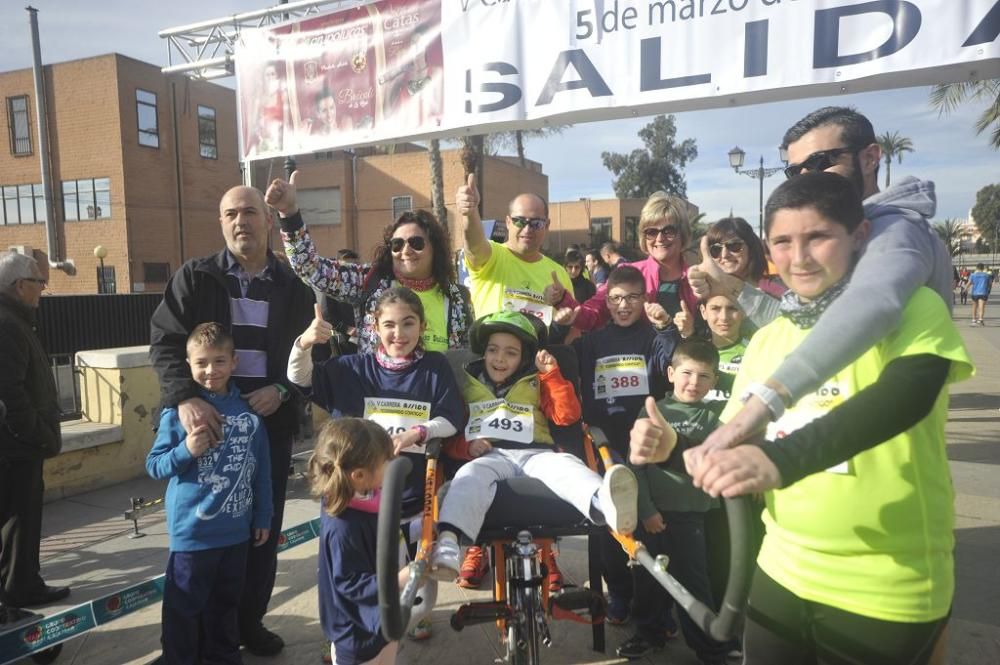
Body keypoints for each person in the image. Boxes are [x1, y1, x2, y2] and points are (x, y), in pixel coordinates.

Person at [638, 172, 973, 665]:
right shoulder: (770, 340)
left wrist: (781, 460)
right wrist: (673, 451)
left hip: (889, 581)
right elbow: (726, 444)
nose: (799, 258)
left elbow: (907, 397)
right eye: (782, 242)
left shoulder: (911, 307)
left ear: (858, 236)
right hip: (780, 572)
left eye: (817, 237)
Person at [690, 106, 954, 458]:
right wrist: (728, 284)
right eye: (794, 170)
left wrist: (767, 401)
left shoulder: (895, 230)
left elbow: (872, 306)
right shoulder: (856, 235)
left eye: (820, 162)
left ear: (871, 157)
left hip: (885, 463)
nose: (804, 179)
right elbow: (801, 326)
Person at [150, 184, 316, 656]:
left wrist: (283, 391)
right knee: (201, 538)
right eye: (229, 214)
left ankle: (246, 625)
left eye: (248, 212)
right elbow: (164, 344)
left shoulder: (293, 284)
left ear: (267, 220)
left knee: (260, 530)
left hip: (268, 423)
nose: (240, 221)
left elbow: (315, 352)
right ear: (221, 223)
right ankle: (190, 639)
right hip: (205, 425)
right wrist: (184, 397)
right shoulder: (196, 278)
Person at [289, 288, 464, 640]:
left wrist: (417, 432)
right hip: (355, 502)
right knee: (352, 573)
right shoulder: (351, 368)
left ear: (422, 325)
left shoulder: (435, 367)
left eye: (408, 323)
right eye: (389, 325)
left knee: (412, 568)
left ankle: (413, 612)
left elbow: (453, 416)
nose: (398, 333)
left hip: (413, 494)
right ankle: (342, 631)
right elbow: (300, 378)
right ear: (374, 326)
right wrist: (304, 344)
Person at [429, 311, 639, 580]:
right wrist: (466, 448)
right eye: (493, 350)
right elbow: (452, 434)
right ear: (483, 352)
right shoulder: (467, 384)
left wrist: (551, 375)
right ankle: (448, 545)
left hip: (537, 452)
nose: (500, 359)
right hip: (490, 455)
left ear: (524, 357)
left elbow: (567, 416)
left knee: (568, 468)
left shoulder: (538, 381)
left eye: (510, 353)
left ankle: (607, 504)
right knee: (467, 478)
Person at [146, 323, 273, 665]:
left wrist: (263, 516)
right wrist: (186, 450)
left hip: (236, 534)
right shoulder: (178, 414)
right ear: (188, 364)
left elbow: (262, 472)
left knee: (225, 607)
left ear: (234, 362)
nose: (210, 370)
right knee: (183, 610)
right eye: (201, 362)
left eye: (219, 361)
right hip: (192, 537)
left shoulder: (249, 414)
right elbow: (155, 465)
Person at [568, 265, 678, 625]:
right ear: (607, 302)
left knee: (651, 526)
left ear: (644, 299)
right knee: (610, 524)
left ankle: (657, 604)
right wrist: (559, 320)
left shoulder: (652, 336)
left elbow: (672, 362)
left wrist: (666, 327)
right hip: (605, 447)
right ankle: (618, 593)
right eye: (616, 298)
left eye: (632, 297)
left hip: (648, 447)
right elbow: (560, 354)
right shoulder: (594, 341)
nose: (624, 305)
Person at [618, 341, 733, 664]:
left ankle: (711, 648)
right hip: (653, 515)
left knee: (694, 585)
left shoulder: (717, 418)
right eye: (686, 373)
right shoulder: (653, 411)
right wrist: (647, 511)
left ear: (714, 381)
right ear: (670, 374)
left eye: (704, 376)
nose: (693, 383)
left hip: (692, 519)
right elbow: (635, 469)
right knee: (649, 581)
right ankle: (648, 633)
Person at [270, 173, 473, 353]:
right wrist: (289, 215)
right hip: (378, 395)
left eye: (416, 242)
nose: (406, 250)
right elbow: (310, 268)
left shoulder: (456, 299)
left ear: (434, 248)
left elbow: (464, 365)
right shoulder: (370, 281)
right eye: (397, 244)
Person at [309, 418, 418, 665]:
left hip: (381, 621)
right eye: (386, 462)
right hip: (356, 633)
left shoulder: (367, 497)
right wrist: (399, 579)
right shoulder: (342, 525)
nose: (391, 464)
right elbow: (349, 581)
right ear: (358, 475)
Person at [0, 253, 69, 610]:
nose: (43, 288)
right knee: (19, 522)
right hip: (17, 447)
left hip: (20, 444)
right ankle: (18, 590)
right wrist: (37, 432)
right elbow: (8, 391)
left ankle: (23, 583)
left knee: (22, 522)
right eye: (39, 282)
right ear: (19, 285)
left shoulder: (16, 320)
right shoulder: (6, 323)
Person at [557, 192, 700, 333]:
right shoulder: (628, 274)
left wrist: (691, 331)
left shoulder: (698, 281)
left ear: (683, 233)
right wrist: (562, 300)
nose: (660, 238)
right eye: (651, 232)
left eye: (669, 231)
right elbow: (592, 315)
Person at [455, 174, 573, 324]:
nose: (527, 229)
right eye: (520, 221)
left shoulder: (559, 274)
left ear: (547, 225)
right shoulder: (492, 256)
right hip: (490, 347)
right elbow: (474, 245)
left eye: (536, 223)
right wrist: (470, 213)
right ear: (508, 222)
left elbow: (572, 323)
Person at [704, 217, 784, 298]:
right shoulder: (706, 290)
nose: (724, 255)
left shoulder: (776, 290)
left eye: (734, 246)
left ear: (751, 248)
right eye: (716, 249)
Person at [700, 294, 750, 415]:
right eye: (715, 308)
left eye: (732, 308)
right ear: (703, 311)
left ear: (744, 310)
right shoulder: (694, 351)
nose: (724, 317)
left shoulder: (755, 349)